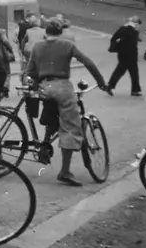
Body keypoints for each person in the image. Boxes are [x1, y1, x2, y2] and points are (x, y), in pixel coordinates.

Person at [23, 17, 108, 186]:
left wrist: (36, 83)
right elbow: (88, 62)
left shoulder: (37, 46)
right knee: (71, 127)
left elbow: (30, 71)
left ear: (46, 31)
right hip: (62, 86)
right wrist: (101, 82)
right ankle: (65, 171)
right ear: (60, 32)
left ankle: (46, 144)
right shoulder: (67, 45)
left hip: (45, 87)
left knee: (52, 113)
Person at [105, 15, 142, 96]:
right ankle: (135, 90)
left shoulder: (123, 28)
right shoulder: (133, 31)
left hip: (122, 53)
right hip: (131, 55)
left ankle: (110, 85)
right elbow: (132, 42)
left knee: (120, 70)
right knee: (133, 72)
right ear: (135, 23)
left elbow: (114, 38)